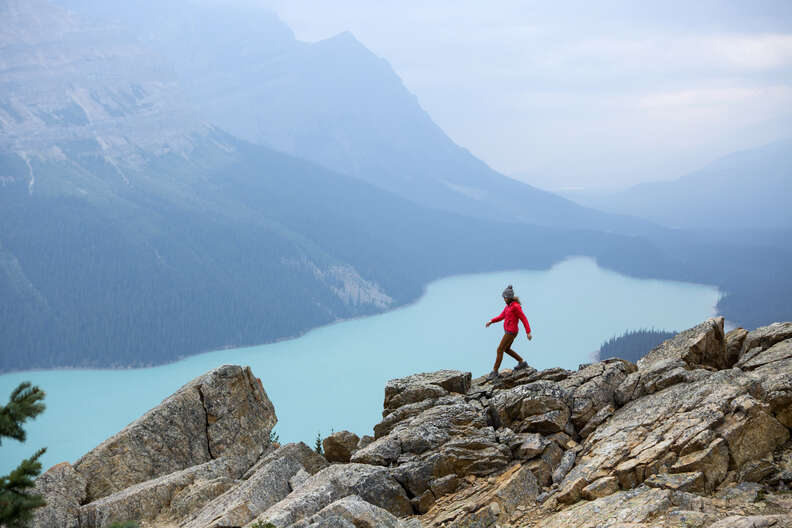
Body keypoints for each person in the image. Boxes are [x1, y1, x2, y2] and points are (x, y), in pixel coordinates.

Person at [485, 285, 532, 379]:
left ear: (509, 297)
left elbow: (523, 318)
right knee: (506, 349)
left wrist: (528, 332)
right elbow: (501, 316)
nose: (504, 299)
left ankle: (495, 371)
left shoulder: (516, 307)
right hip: (508, 331)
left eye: (505, 297)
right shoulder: (508, 307)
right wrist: (491, 321)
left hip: (511, 332)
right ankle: (522, 362)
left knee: (499, 349)